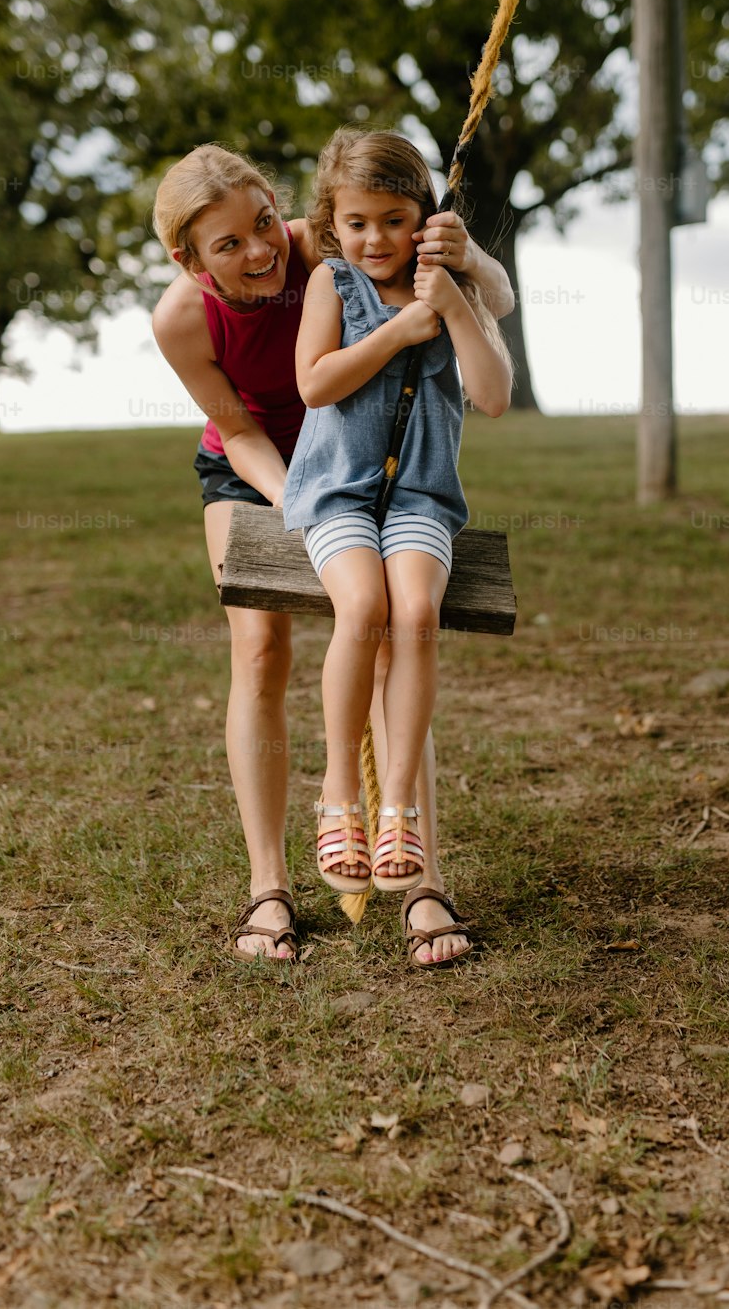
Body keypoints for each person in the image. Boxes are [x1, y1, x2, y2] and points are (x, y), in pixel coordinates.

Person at [151, 143, 513, 964]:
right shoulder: (183, 316)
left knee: (397, 629)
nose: (260, 250)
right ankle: (269, 888)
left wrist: (465, 256)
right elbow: (239, 429)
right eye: (229, 245)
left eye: (265, 224)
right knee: (260, 647)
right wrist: (304, 504)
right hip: (260, 470)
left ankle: (421, 883)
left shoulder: (334, 240)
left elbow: (482, 301)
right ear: (189, 260)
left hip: (376, 457)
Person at [283, 128, 512, 968]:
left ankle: (399, 810)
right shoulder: (330, 284)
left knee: (413, 609)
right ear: (332, 226)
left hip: (419, 497)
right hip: (337, 493)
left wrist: (451, 306)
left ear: (426, 217)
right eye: (355, 222)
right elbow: (314, 382)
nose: (374, 238)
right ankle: (340, 790)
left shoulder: (449, 288)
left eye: (393, 218)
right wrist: (399, 329)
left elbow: (491, 397)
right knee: (364, 605)